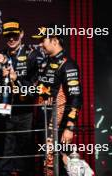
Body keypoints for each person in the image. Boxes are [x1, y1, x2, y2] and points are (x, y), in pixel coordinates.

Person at [0, 19, 41, 176]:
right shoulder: (0, 55)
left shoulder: (32, 55)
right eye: (8, 36)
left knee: (26, 158)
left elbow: (35, 89)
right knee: (3, 158)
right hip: (3, 112)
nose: (11, 39)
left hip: (24, 113)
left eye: (14, 35)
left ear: (22, 34)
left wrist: (15, 78)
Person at [32, 25, 82, 175]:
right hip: (43, 123)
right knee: (47, 165)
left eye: (43, 40)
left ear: (54, 41)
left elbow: (76, 98)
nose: (40, 44)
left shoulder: (68, 65)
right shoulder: (45, 62)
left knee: (59, 164)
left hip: (58, 125)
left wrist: (69, 127)